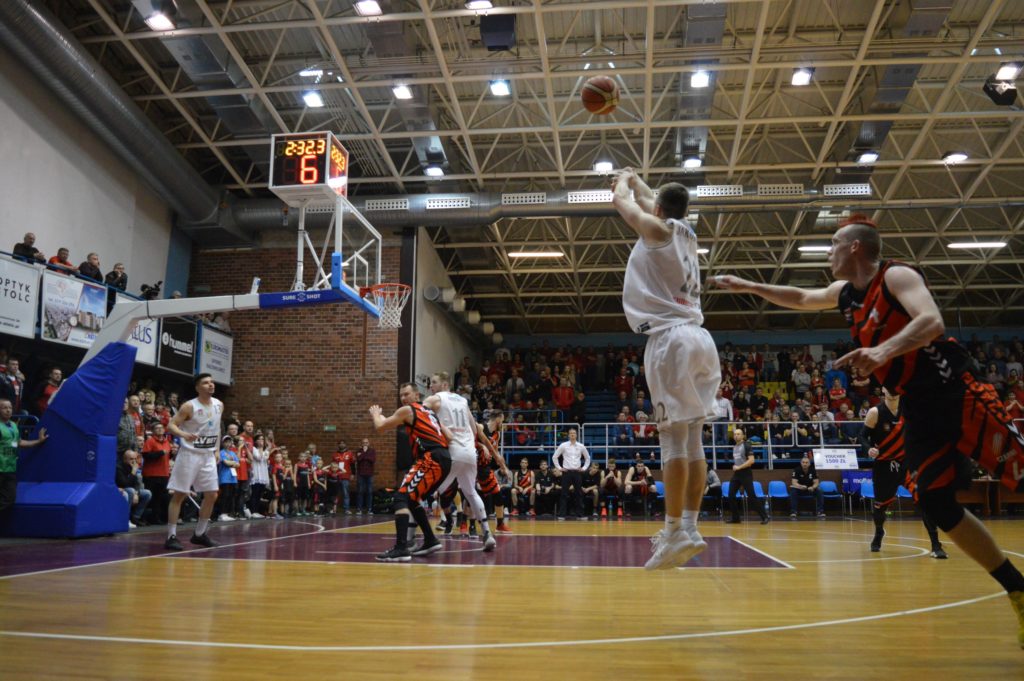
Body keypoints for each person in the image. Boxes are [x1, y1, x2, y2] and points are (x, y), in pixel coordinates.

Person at [709, 213, 1024, 646]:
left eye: (834, 243)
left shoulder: (896, 276)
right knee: (937, 504)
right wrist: (750, 286)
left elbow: (932, 323)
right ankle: (1018, 590)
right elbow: (802, 297)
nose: (830, 251)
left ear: (855, 246)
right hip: (921, 407)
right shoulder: (846, 295)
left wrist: (882, 351)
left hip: (957, 391)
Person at [611, 168, 721, 570]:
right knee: (694, 441)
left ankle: (673, 531)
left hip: (670, 341)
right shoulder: (684, 233)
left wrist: (621, 183)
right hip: (700, 338)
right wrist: (637, 180)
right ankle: (689, 527)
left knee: (672, 443)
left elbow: (623, 203)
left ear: (658, 209)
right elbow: (648, 199)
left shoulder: (656, 232)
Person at [369, 382, 453, 562]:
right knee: (413, 500)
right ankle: (430, 540)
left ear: (417, 396)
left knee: (400, 498)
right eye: (401, 395)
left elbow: (381, 427)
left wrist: (376, 414)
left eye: (407, 394)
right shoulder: (431, 414)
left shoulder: (407, 410)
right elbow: (450, 437)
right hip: (443, 458)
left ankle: (401, 548)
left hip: (431, 458)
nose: (403, 398)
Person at [862, 388, 946, 558]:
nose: (892, 390)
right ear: (883, 390)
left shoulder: (910, 409)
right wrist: (869, 448)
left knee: (924, 501)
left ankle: (936, 545)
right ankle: (879, 533)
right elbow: (862, 436)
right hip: (884, 466)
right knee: (880, 507)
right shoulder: (875, 412)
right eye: (888, 387)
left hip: (907, 464)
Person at [427, 372, 496, 552]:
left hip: (453, 452)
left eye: (434, 382)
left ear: (444, 385)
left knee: (425, 489)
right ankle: (487, 533)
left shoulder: (437, 398)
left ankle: (417, 536)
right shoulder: (463, 401)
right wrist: (482, 446)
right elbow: (474, 429)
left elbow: (418, 410)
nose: (430, 386)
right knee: (471, 492)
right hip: (469, 453)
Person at [163, 373, 222, 551]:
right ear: (197, 387)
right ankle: (171, 536)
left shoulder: (219, 404)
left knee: (212, 494)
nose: (211, 385)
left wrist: (217, 449)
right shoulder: (189, 406)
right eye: (206, 383)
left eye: (212, 382)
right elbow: (171, 425)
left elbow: (218, 428)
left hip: (208, 455)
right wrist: (183, 434)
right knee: (179, 494)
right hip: (189, 455)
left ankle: (199, 534)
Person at [0, 399, 48, 520]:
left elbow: (20, 442)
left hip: (10, 468)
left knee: (9, 498)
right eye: (4, 408)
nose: (8, 410)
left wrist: (39, 441)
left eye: (10, 407)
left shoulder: (14, 426)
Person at [725, 428, 769, 525]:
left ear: (743, 436)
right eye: (735, 434)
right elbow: (739, 460)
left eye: (738, 434)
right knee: (731, 495)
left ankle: (765, 517)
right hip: (737, 474)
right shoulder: (734, 447)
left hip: (746, 473)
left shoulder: (747, 445)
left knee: (752, 496)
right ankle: (736, 518)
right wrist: (735, 466)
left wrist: (739, 467)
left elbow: (751, 461)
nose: (736, 436)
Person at [552, 427, 591, 521]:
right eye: (571, 433)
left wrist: (584, 468)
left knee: (579, 494)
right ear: (568, 435)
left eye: (574, 433)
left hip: (577, 473)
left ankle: (580, 515)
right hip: (567, 472)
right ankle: (562, 515)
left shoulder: (581, 446)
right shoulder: (563, 445)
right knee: (564, 494)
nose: (572, 435)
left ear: (576, 435)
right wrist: (560, 468)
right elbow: (554, 457)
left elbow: (588, 458)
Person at [355, 438, 376, 514]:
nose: (365, 444)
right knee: (360, 491)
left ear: (369, 443)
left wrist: (364, 455)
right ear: (361, 443)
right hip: (361, 474)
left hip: (370, 474)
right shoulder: (358, 451)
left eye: (366, 442)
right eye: (363, 442)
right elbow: (359, 459)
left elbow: (372, 460)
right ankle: (359, 509)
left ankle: (369, 509)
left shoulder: (372, 451)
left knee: (369, 492)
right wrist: (364, 453)